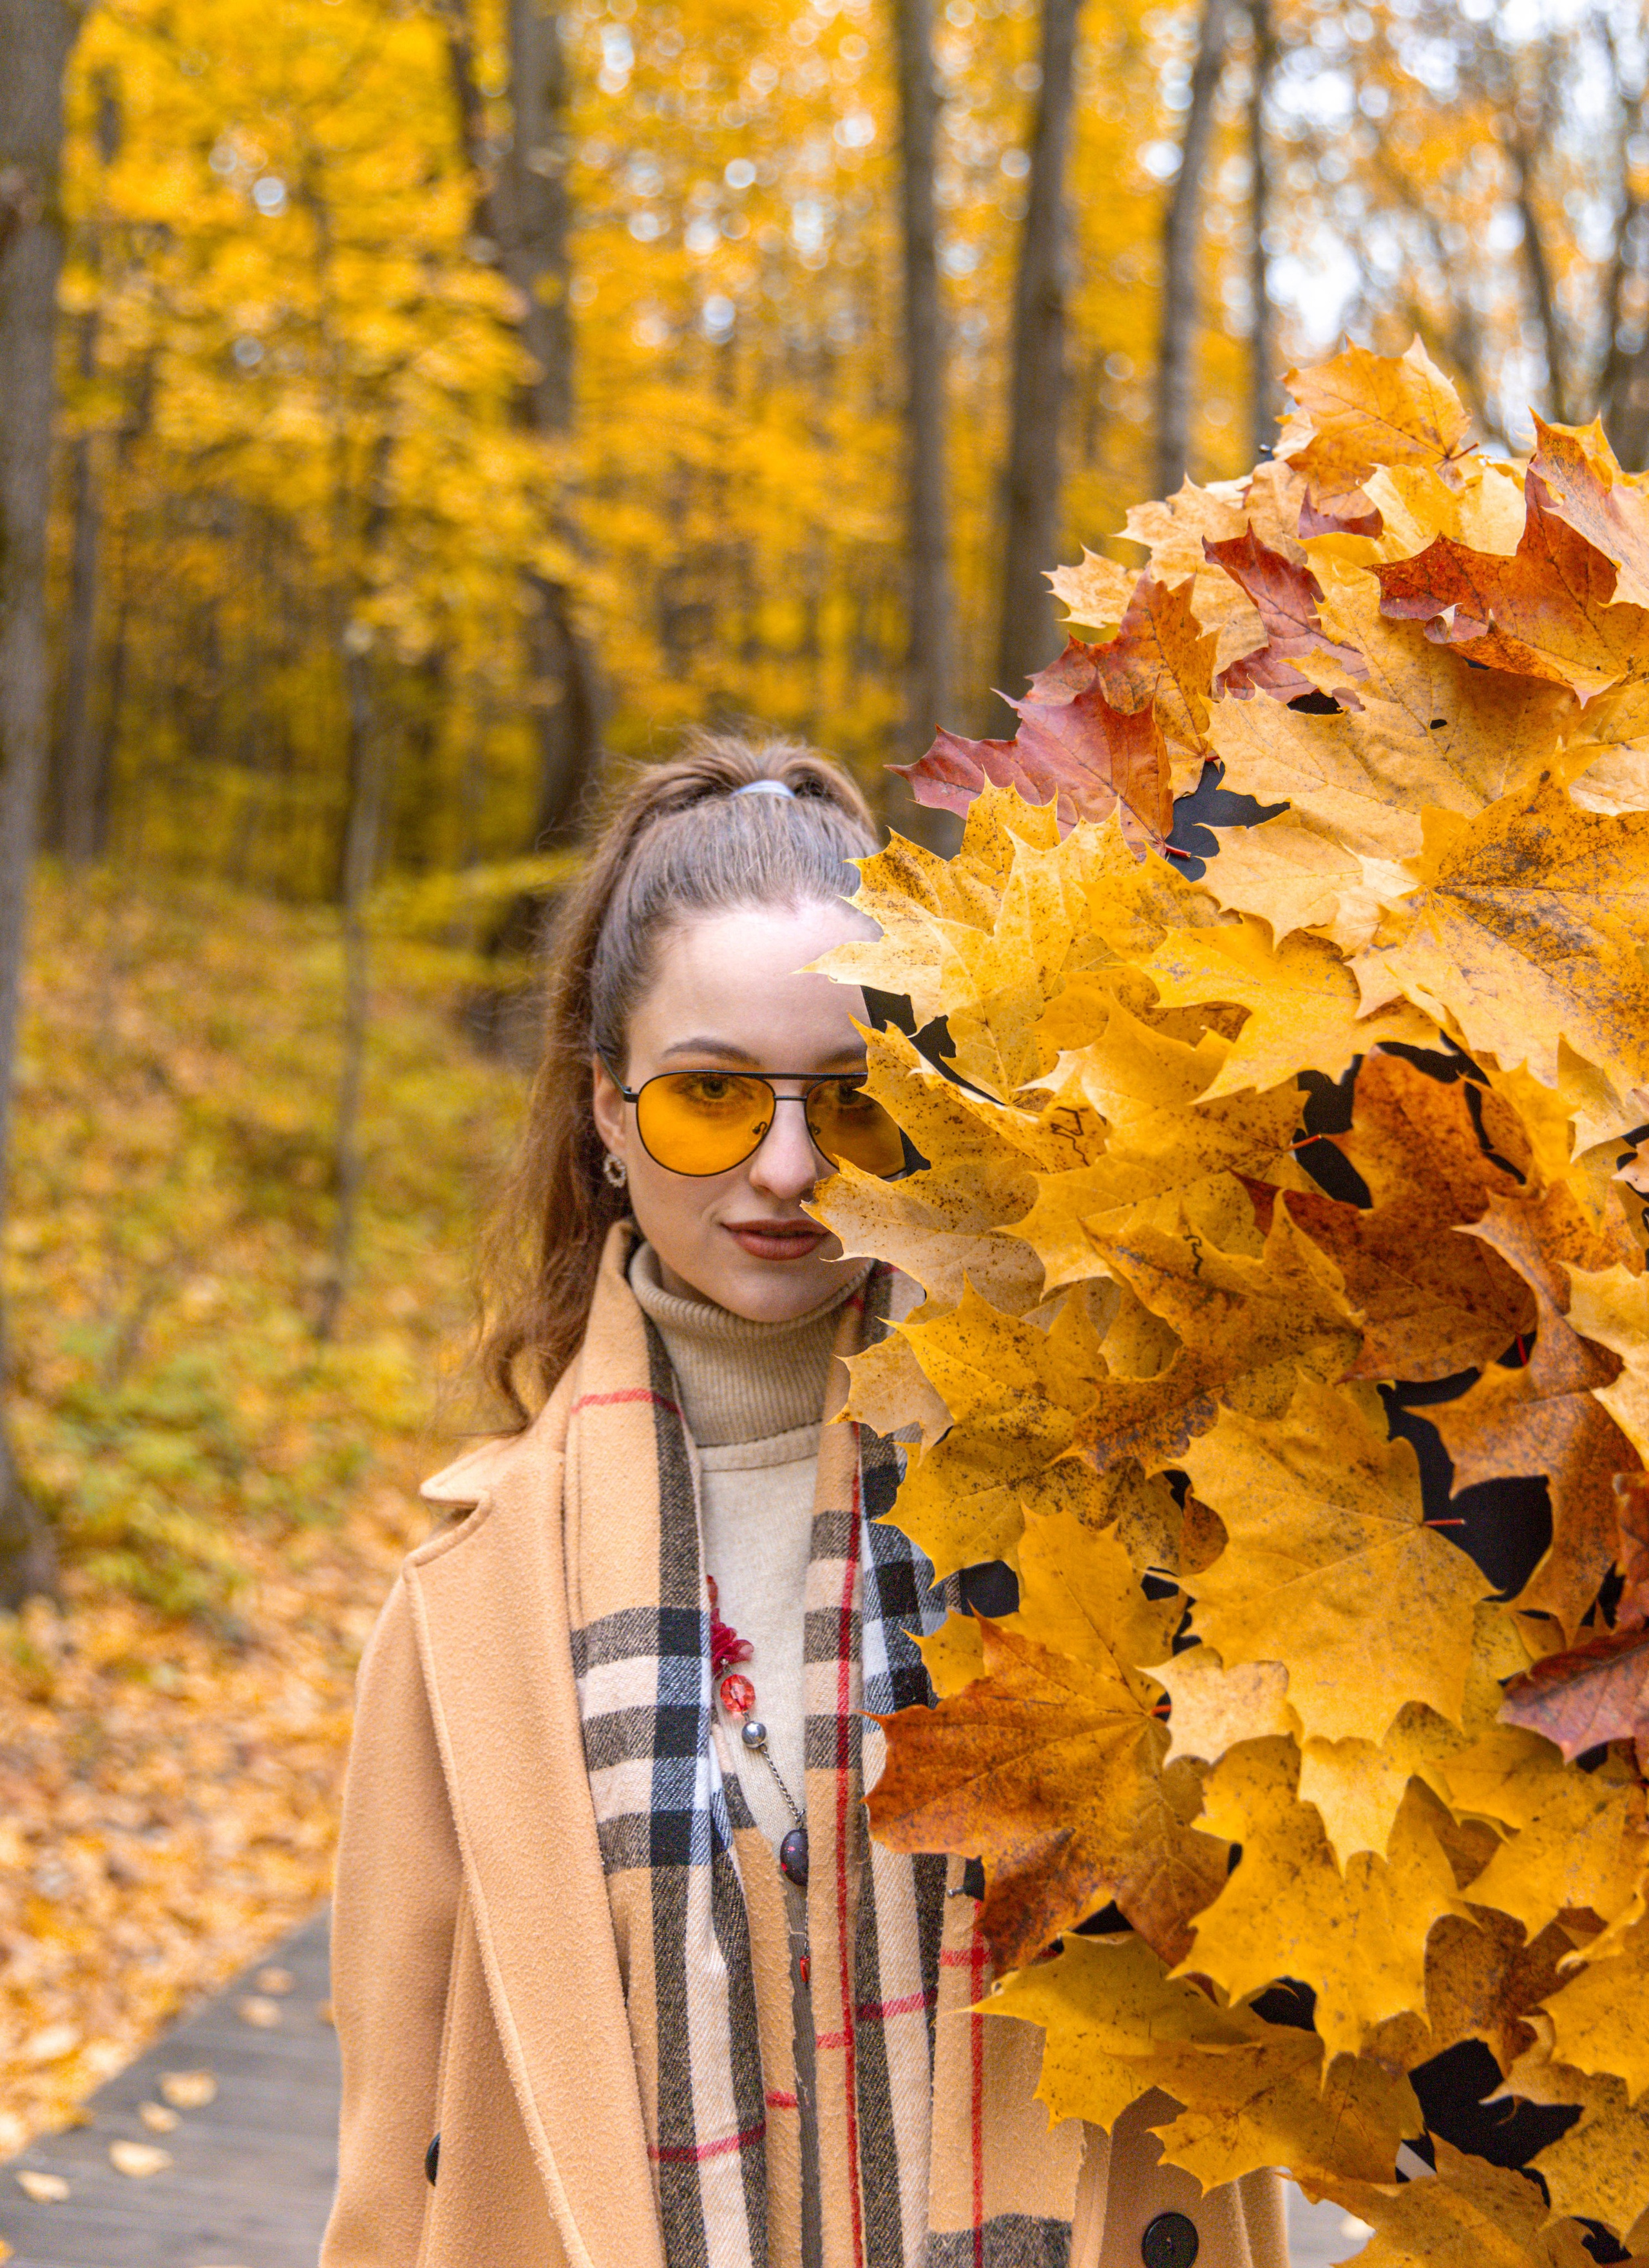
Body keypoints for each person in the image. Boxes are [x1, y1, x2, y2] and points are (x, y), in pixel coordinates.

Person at [319, 734, 1288, 2268]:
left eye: (848, 1104)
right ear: (603, 1109)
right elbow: (395, 2165)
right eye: (710, 1097)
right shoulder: (463, 1619)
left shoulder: (1098, 1497)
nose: (783, 1169)